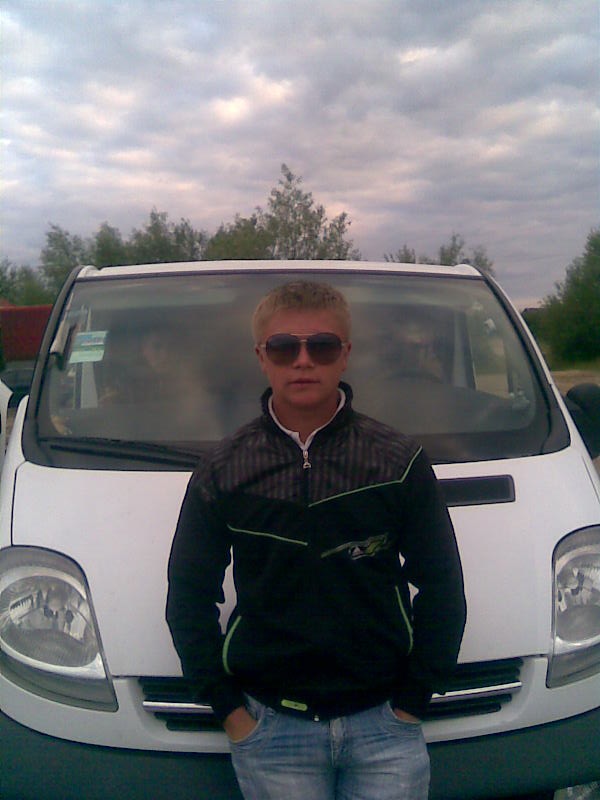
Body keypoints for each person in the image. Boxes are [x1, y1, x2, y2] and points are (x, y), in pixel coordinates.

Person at [166, 281, 466, 800]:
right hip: (270, 732)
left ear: (345, 355)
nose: (303, 361)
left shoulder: (398, 461)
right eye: (284, 347)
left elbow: (442, 587)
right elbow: (188, 596)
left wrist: (413, 702)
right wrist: (231, 713)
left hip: (386, 728)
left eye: (321, 346)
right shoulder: (223, 469)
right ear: (262, 357)